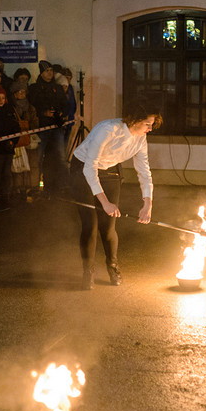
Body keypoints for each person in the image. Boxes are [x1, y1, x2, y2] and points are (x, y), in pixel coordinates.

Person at [70, 99, 161, 290]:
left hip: (110, 170)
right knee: (90, 224)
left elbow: (144, 171)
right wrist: (104, 202)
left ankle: (112, 266)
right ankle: (88, 271)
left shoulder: (140, 139)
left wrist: (147, 204)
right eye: (147, 124)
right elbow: (90, 169)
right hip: (83, 168)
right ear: (135, 120)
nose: (150, 129)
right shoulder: (108, 130)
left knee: (109, 226)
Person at [27, 60, 68, 196]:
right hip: (41, 127)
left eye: (51, 70)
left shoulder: (57, 88)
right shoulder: (34, 88)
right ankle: (35, 186)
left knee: (59, 156)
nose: (50, 73)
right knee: (38, 157)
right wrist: (43, 112)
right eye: (47, 71)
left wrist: (62, 112)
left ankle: (60, 185)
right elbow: (32, 105)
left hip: (56, 126)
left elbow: (64, 104)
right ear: (41, 72)